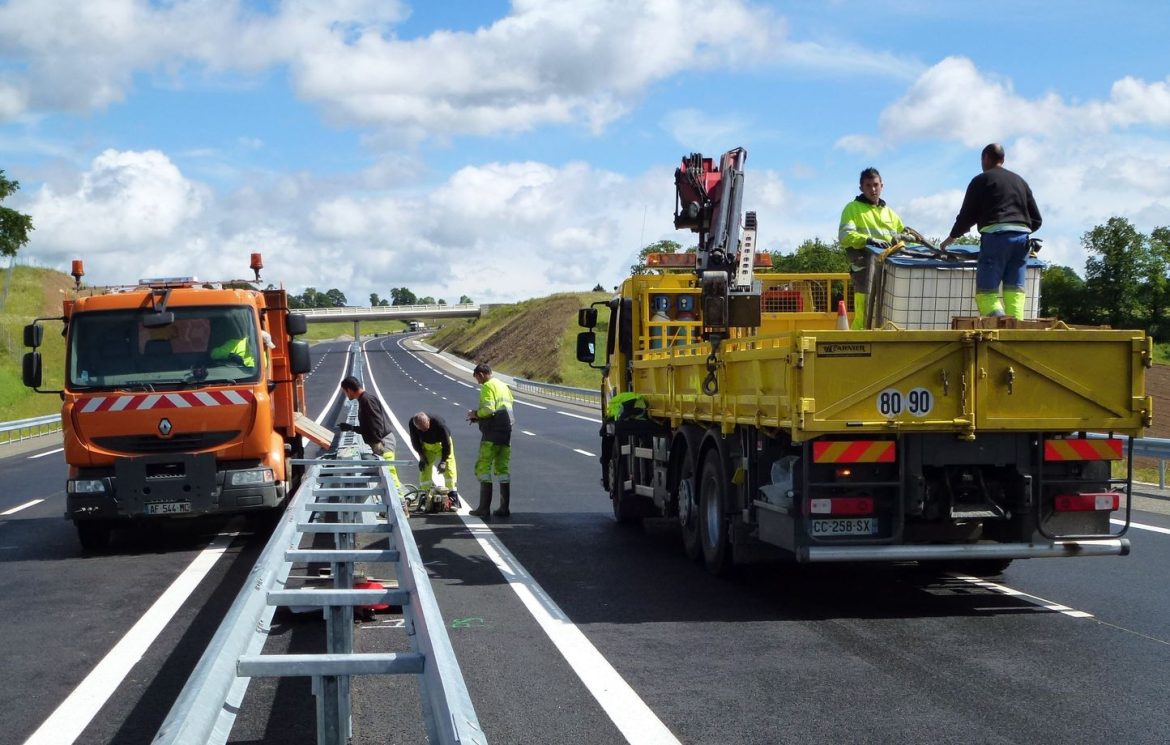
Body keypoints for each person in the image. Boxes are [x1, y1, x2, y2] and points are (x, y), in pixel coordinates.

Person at [940, 143, 1042, 319]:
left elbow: (966, 216)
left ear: (985, 158)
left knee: (986, 296)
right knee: (1014, 295)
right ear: (1002, 159)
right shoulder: (1020, 181)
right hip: (1022, 242)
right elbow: (1037, 219)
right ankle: (1015, 336)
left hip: (996, 240)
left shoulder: (981, 180)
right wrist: (1018, 232)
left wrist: (951, 238)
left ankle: (1002, 327)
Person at [838, 167, 906, 330]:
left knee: (888, 314)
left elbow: (906, 239)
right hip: (865, 270)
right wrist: (868, 240)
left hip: (889, 270)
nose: (873, 189)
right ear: (861, 188)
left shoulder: (890, 214)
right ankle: (856, 350)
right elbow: (845, 237)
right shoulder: (852, 208)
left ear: (882, 185)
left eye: (875, 185)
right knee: (865, 315)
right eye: (868, 186)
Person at [336, 376, 402, 492]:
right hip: (382, 441)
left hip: (384, 443)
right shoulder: (364, 400)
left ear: (349, 390)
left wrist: (377, 443)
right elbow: (369, 427)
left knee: (389, 476)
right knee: (385, 476)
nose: (346, 395)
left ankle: (400, 503)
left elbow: (376, 423)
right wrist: (351, 428)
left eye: (345, 392)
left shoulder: (367, 400)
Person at [466, 363, 515, 519]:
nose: (478, 383)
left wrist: (476, 414)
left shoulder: (487, 386)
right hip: (506, 431)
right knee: (503, 469)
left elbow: (488, 409)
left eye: (478, 379)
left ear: (481, 375)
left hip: (492, 433)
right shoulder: (503, 386)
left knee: (483, 467)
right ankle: (504, 508)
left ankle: (484, 508)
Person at [409, 412, 460, 508]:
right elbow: (414, 440)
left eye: (426, 427)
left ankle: (453, 496)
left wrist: (443, 461)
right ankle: (425, 495)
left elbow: (447, 444)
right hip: (427, 446)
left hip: (441, 444)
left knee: (449, 468)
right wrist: (421, 456)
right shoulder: (412, 423)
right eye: (421, 429)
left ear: (428, 421)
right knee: (425, 469)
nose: (424, 430)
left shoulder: (439, 424)